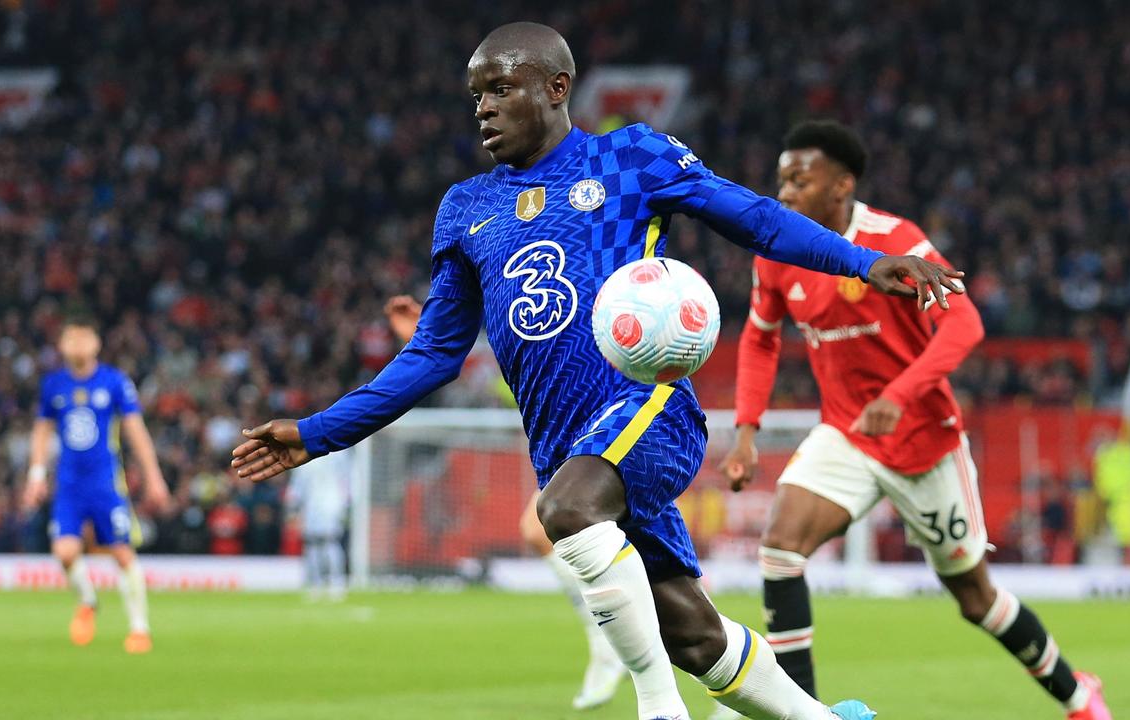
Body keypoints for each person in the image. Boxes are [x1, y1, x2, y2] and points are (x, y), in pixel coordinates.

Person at [233, 22, 963, 720]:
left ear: (557, 88)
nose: (483, 107)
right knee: (694, 636)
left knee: (564, 514)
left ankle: (657, 711)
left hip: (648, 411)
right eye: (475, 95)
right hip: (566, 447)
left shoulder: (630, 159)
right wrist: (317, 433)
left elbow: (757, 219)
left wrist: (867, 263)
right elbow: (432, 355)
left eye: (500, 88)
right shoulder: (466, 209)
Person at [717, 120, 1111, 720]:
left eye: (800, 179)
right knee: (780, 548)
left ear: (842, 184)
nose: (786, 192)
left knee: (975, 598)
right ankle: (801, 712)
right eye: (781, 180)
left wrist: (899, 395)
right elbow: (761, 339)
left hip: (923, 443)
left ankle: (1079, 697)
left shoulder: (895, 238)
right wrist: (746, 431)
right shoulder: (779, 251)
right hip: (846, 433)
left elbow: (965, 322)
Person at [386, 294, 627, 709]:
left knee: (653, 563)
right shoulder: (515, 319)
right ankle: (622, 647)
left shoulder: (569, 287)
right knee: (548, 532)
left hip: (616, 416)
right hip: (575, 430)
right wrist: (428, 339)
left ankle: (635, 652)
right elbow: (501, 375)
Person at [23, 317, 170, 653]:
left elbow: (136, 432)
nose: (77, 345)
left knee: (121, 552)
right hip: (69, 486)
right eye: (70, 339)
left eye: (83, 338)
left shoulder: (114, 382)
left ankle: (139, 628)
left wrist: (154, 477)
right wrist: (35, 475)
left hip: (106, 484)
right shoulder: (53, 385)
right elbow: (42, 432)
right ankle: (88, 601)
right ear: (61, 346)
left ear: (96, 343)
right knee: (64, 552)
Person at [287, 449, 353, 601]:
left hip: (332, 503)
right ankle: (315, 584)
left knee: (330, 541)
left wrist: (346, 503)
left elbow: (347, 477)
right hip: (311, 505)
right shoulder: (305, 450)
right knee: (312, 544)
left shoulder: (339, 452)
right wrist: (294, 504)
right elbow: (299, 482)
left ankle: (337, 583)